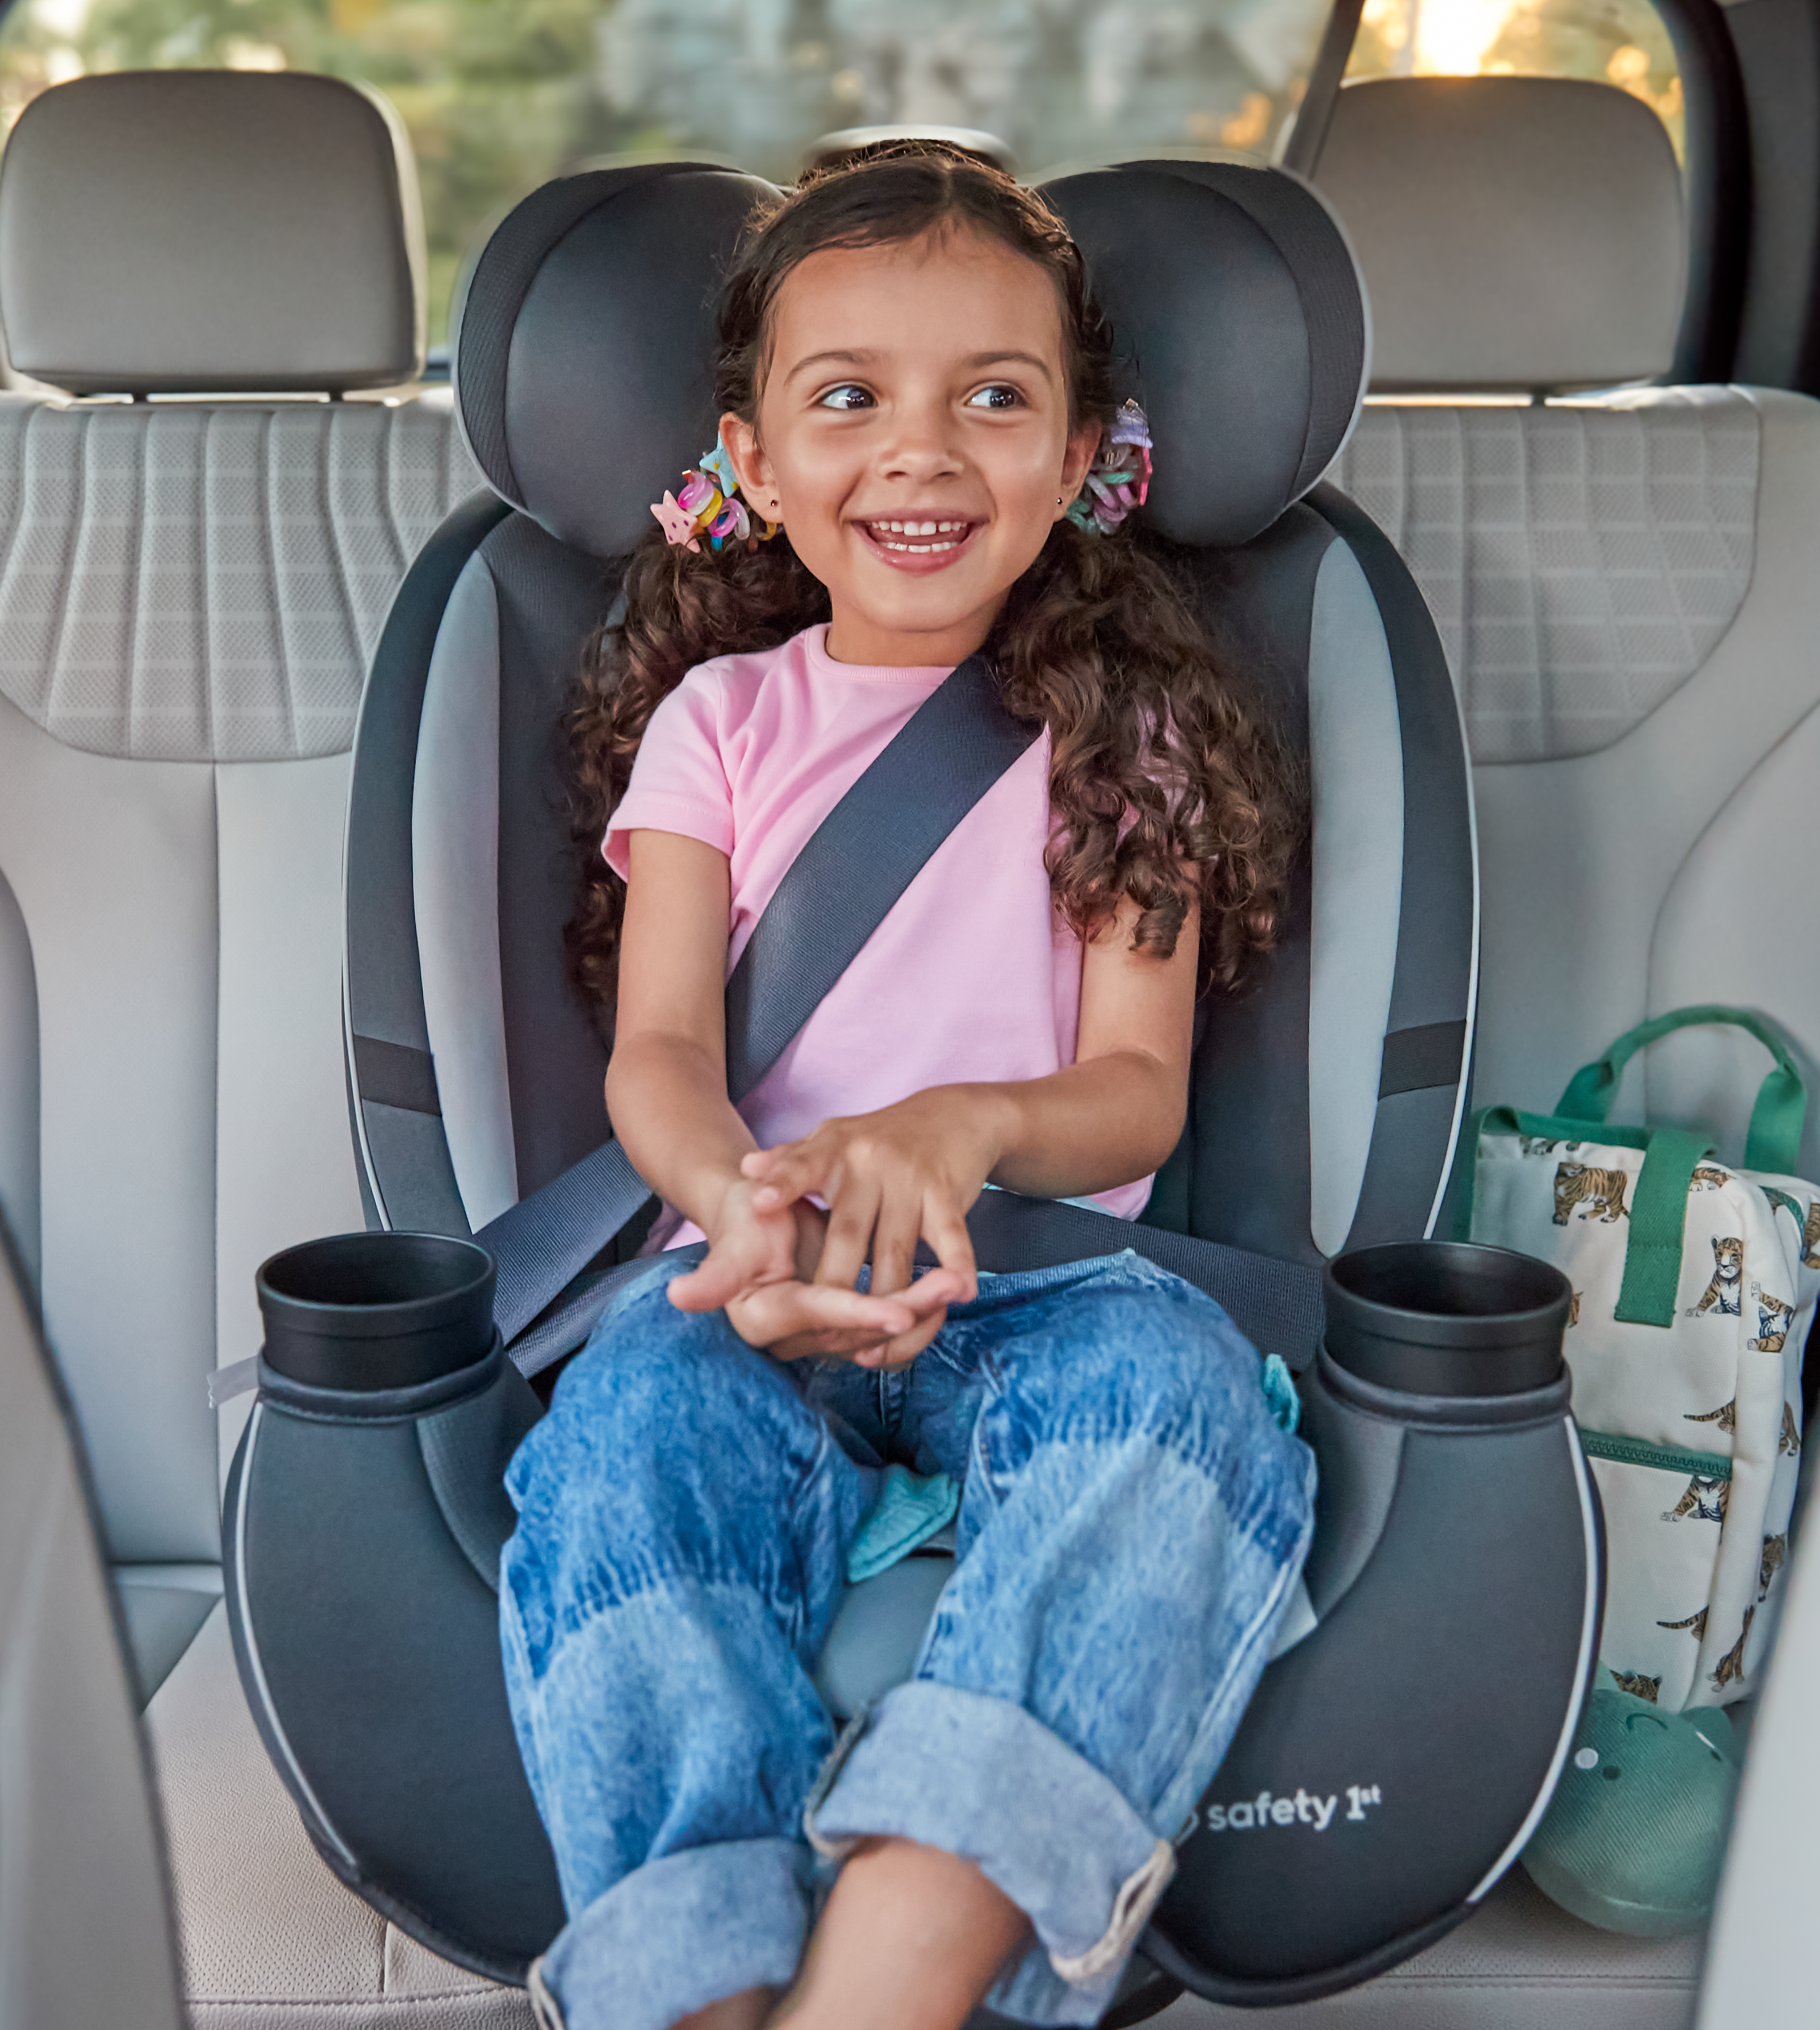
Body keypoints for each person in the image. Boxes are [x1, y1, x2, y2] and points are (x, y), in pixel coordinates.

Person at [498, 147, 1315, 2030]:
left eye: (994, 399)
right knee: (630, 1428)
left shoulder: (1139, 735)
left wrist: (968, 1130)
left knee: (1180, 1400)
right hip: (759, 1261)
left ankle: (882, 1984)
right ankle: (701, 1984)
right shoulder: (721, 728)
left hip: (1043, 1279)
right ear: (759, 463)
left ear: (1082, 450)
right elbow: (666, 1059)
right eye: (850, 397)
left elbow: (1134, 1092)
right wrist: (737, 1208)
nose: (923, 454)